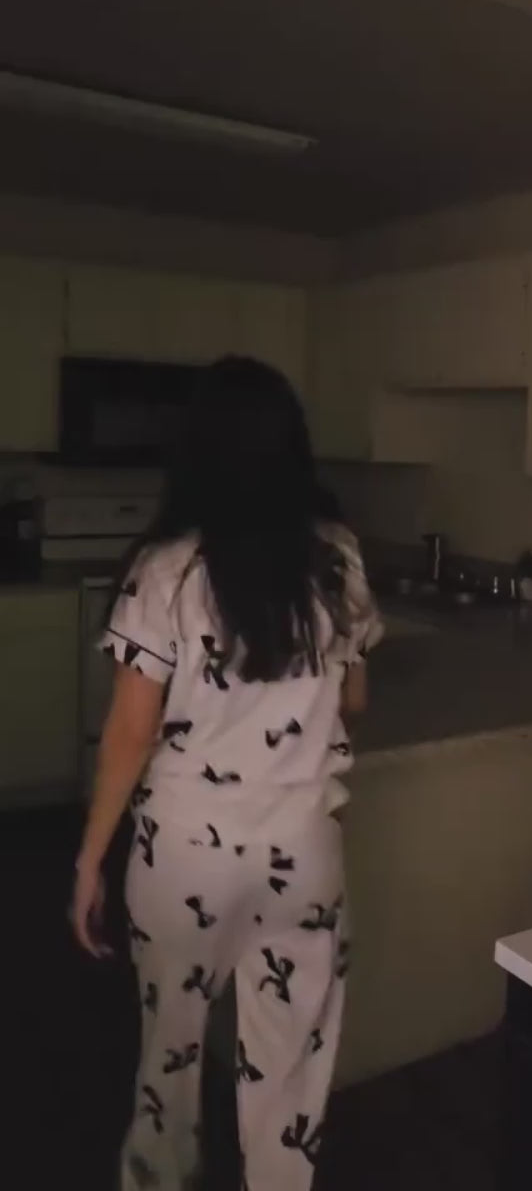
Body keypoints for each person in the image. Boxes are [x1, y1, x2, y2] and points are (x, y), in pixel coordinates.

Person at [71, 356, 382, 1191]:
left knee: (168, 1067)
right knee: (290, 1076)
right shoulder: (337, 558)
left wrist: (90, 859)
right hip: (302, 853)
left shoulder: (164, 571)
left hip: (184, 862)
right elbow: (353, 700)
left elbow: (129, 734)